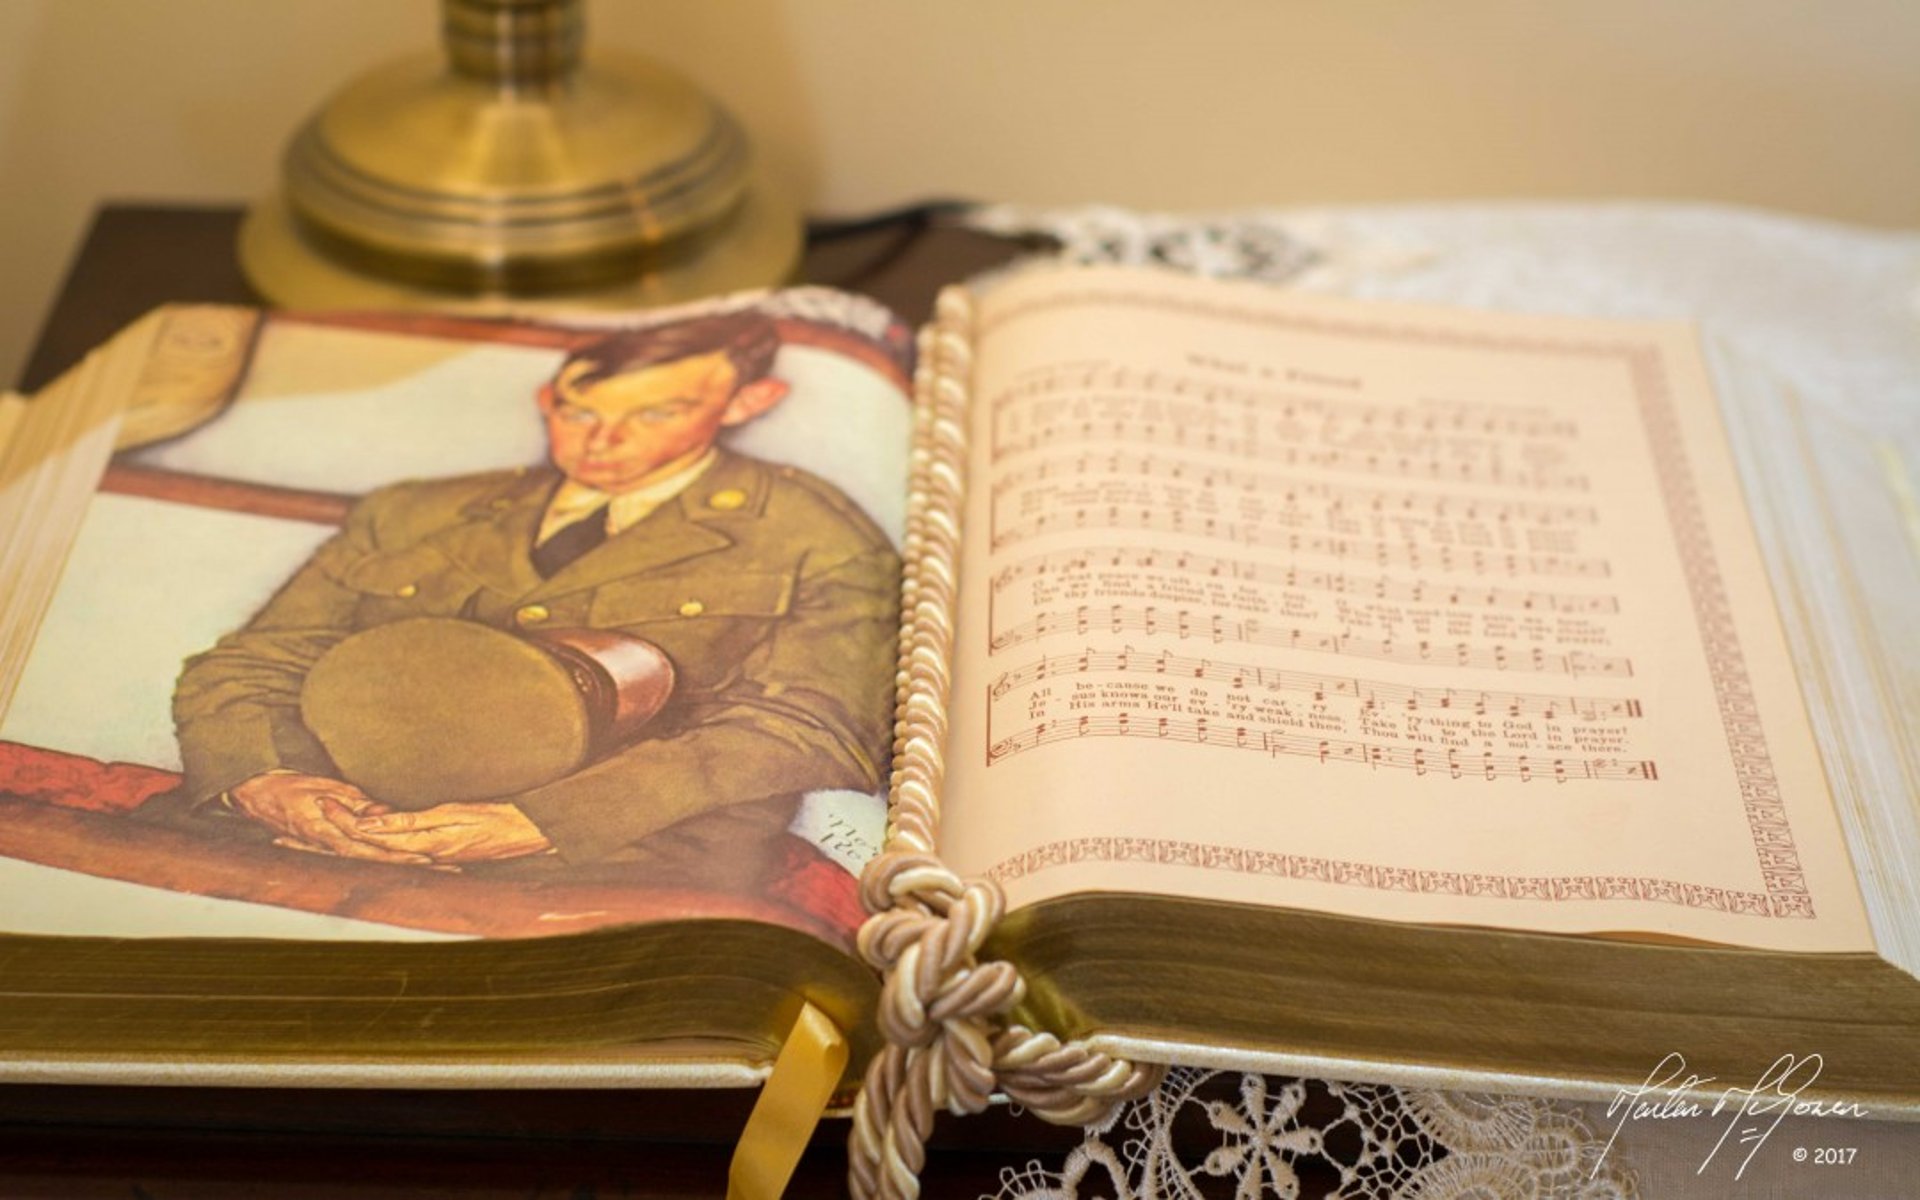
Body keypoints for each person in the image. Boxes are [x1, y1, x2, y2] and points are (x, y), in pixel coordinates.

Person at [143, 310, 899, 883]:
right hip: (328, 824)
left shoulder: (812, 531)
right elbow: (251, 663)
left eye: (655, 413)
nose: (600, 442)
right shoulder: (414, 510)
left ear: (747, 401)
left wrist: (546, 821)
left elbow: (814, 725)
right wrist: (266, 780)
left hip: (615, 854)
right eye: (579, 410)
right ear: (547, 395)